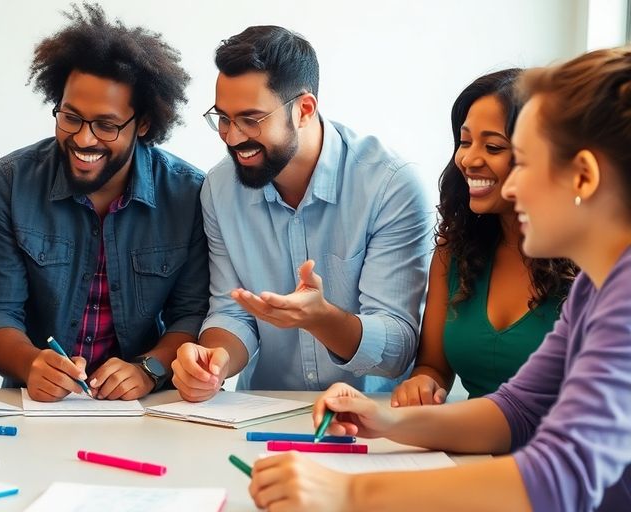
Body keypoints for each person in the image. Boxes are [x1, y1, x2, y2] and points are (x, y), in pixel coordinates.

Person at [248, 46, 631, 512]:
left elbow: (562, 475)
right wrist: (382, 419)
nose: (510, 186)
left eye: (523, 161)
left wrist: (349, 492)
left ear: (584, 178)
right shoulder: (599, 283)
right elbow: (519, 410)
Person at [172, 26, 431, 401]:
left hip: (373, 419)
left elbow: (397, 349)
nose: (231, 137)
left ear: (304, 110)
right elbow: (232, 311)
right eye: (223, 118)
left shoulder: (389, 185)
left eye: (251, 119)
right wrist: (214, 362)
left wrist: (320, 318)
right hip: (263, 410)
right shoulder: (219, 188)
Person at [0, 3, 209, 402]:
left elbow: (192, 316)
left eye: (106, 125)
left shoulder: (188, 194)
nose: (83, 138)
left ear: (143, 124)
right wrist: (31, 364)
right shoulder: (12, 182)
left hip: (150, 408)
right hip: (38, 407)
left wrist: (148, 369)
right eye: (71, 117)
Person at [391, 69, 577, 406]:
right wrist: (423, 384)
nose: (468, 159)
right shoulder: (455, 247)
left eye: (493, 146)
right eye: (464, 142)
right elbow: (433, 366)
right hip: (477, 445)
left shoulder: (592, 261)